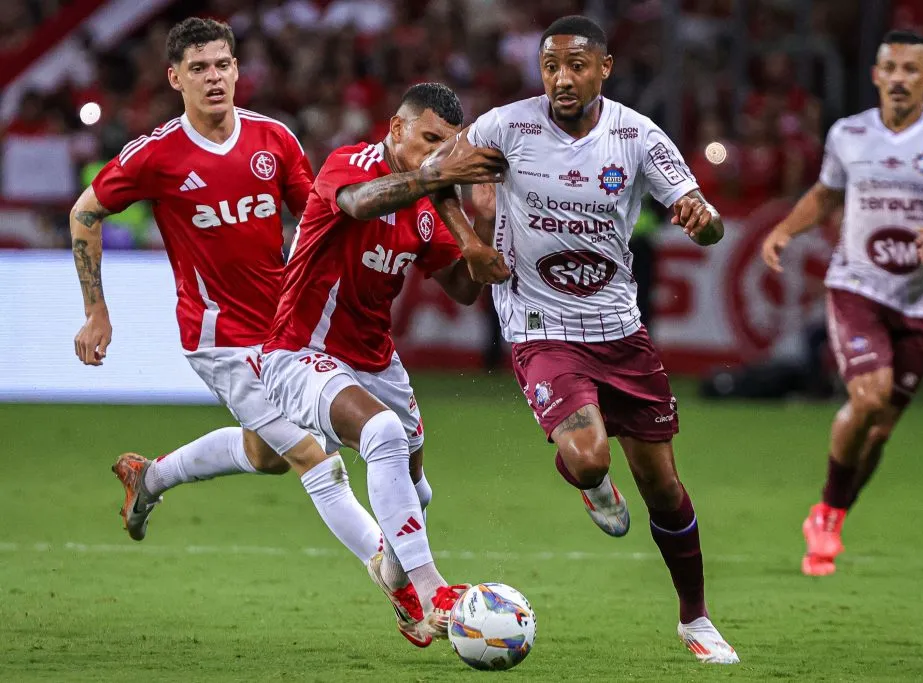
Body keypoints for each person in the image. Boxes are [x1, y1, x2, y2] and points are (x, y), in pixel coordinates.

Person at [70, 17, 416, 637]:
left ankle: (149, 477)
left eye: (223, 65)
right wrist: (96, 309)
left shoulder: (273, 140)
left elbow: (318, 220)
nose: (214, 78)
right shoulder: (156, 155)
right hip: (219, 338)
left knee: (267, 455)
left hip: (284, 332)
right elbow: (85, 213)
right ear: (175, 78)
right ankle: (405, 587)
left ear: (236, 70)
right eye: (199, 68)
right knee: (315, 458)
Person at [436, 15, 739, 663]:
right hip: (539, 326)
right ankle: (589, 478)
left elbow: (706, 221)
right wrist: (471, 242)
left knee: (663, 488)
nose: (562, 79)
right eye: (551, 66)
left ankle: (696, 619)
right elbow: (432, 175)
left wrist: (702, 218)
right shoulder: (505, 127)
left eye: (576, 65)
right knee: (591, 457)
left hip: (619, 329)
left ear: (604, 68)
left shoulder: (637, 135)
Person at [260, 82, 509, 645]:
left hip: (376, 360)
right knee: (382, 434)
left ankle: (394, 576)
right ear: (396, 129)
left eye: (448, 145)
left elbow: (463, 289)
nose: (439, 154)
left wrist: (484, 221)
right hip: (300, 351)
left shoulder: (429, 206)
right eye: (429, 139)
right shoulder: (351, 163)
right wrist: (437, 176)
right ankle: (432, 588)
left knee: (418, 491)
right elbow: (358, 203)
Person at [761, 30, 923, 577]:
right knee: (869, 398)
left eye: (911, 69)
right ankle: (827, 515)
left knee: (881, 430)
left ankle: (831, 513)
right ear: (875, 75)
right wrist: (785, 230)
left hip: (919, 300)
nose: (899, 78)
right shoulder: (849, 133)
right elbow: (826, 194)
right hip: (857, 287)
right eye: (890, 68)